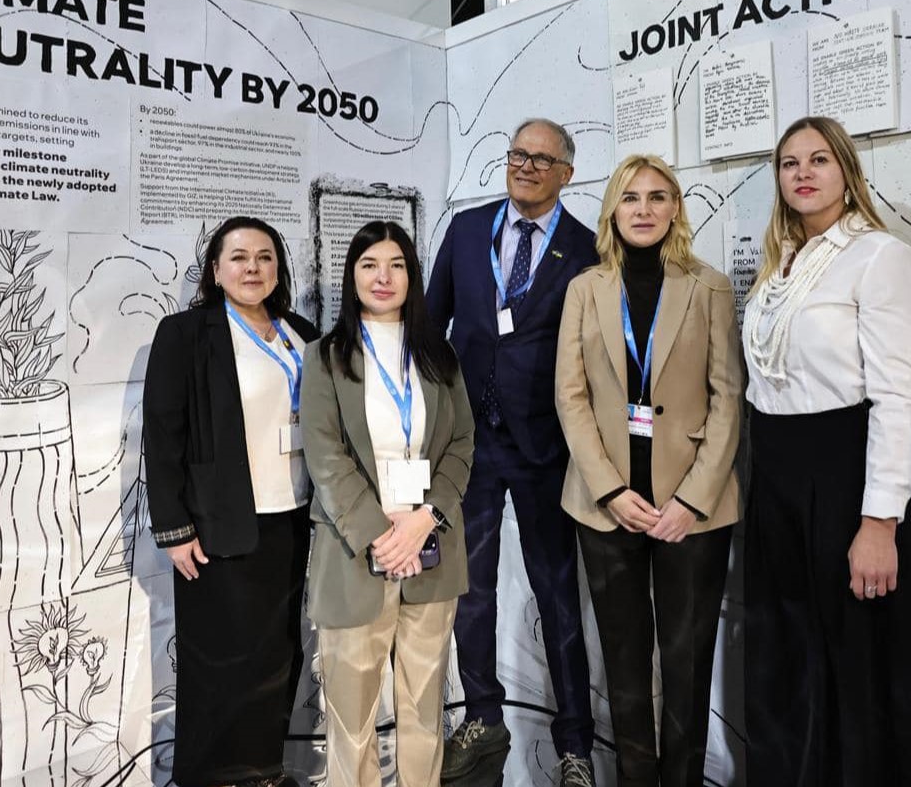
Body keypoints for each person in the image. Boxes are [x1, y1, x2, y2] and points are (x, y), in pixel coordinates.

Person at [742, 116, 911, 786]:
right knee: (787, 665)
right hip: (775, 478)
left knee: (856, 669)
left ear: (847, 171)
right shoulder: (778, 263)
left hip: (844, 481)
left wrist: (880, 522)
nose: (802, 172)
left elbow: (899, 397)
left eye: (819, 159)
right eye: (789, 162)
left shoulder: (880, 257)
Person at [555, 154, 742, 787]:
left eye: (658, 197)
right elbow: (570, 397)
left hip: (693, 509)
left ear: (675, 208)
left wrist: (692, 499)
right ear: (613, 209)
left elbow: (727, 398)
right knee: (625, 667)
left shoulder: (709, 287)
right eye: (630, 198)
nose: (643, 209)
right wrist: (609, 489)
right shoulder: (585, 289)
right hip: (607, 507)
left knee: (687, 668)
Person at [427, 118, 598, 787]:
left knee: (558, 597)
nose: (525, 166)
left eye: (541, 159)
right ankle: (482, 719)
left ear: (566, 173)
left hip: (544, 448)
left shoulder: (586, 248)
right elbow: (431, 326)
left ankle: (575, 745)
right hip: (469, 444)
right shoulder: (468, 230)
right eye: (517, 155)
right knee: (470, 590)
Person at [143, 216, 317, 787]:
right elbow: (162, 435)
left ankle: (263, 771)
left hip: (291, 518)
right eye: (239, 257)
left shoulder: (302, 333)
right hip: (218, 525)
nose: (252, 268)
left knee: (277, 655)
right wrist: (174, 528)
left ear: (278, 270)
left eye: (264, 257)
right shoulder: (186, 334)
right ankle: (208, 778)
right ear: (215, 270)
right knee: (219, 663)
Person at [300, 221, 474, 787]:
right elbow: (325, 456)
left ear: (411, 277)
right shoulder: (324, 358)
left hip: (431, 550)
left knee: (424, 711)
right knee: (351, 719)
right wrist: (382, 534)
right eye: (370, 264)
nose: (383, 276)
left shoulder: (439, 355)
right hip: (356, 555)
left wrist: (425, 519)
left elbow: (462, 443)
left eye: (396, 265)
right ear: (352, 276)